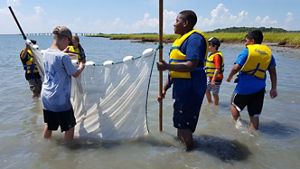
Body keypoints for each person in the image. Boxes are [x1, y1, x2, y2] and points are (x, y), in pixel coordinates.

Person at [157, 10, 208, 151]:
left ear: (185, 23)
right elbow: (176, 71)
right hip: (182, 88)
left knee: (184, 125)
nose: (174, 24)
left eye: (177, 21)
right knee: (180, 124)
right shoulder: (182, 39)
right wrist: (164, 88)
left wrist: (167, 66)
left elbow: (191, 65)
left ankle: (189, 154)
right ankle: (183, 151)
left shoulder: (194, 39)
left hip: (191, 88)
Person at [226, 30, 277, 130]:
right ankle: (253, 134)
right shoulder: (269, 54)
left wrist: (229, 77)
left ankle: (238, 125)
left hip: (244, 88)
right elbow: (273, 72)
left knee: (234, 106)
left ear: (252, 41)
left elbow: (236, 67)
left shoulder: (247, 51)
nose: (245, 43)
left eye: (246, 41)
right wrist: (274, 88)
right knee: (255, 115)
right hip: (260, 89)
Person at [41, 26, 85, 141]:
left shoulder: (46, 53)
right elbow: (75, 74)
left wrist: (62, 52)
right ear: (64, 38)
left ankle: (45, 146)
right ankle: (69, 153)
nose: (68, 44)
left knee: (50, 125)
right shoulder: (63, 57)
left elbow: (55, 59)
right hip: (59, 98)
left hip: (46, 96)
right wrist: (82, 66)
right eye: (68, 41)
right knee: (70, 127)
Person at [205, 37, 224, 105]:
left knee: (215, 93)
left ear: (215, 46)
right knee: (206, 90)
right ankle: (210, 103)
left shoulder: (217, 56)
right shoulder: (211, 54)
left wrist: (213, 79)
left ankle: (216, 105)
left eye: (209, 45)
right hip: (210, 77)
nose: (208, 47)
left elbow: (217, 69)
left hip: (216, 78)